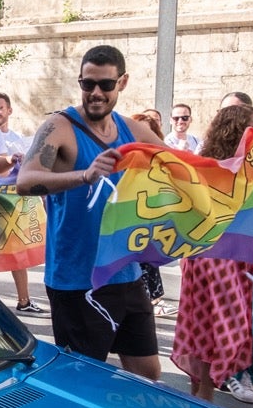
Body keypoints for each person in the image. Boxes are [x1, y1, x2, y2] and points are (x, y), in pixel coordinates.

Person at [15, 45, 163, 381]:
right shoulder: (59, 126)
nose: (95, 93)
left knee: (149, 377)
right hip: (77, 279)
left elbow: (186, 170)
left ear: (122, 83)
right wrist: (85, 175)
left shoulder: (131, 130)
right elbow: (25, 181)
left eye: (105, 85)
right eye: (87, 84)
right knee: (82, 379)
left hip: (126, 274)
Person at [172, 106, 253, 403]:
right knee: (212, 323)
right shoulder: (208, 164)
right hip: (210, 254)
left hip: (238, 256)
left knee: (215, 324)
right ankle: (204, 393)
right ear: (235, 130)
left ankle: (203, 394)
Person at [0, 93, 43, 314]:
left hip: (10, 203)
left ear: (9, 110)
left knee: (17, 251)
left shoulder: (18, 139)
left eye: (0, 108)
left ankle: (24, 300)